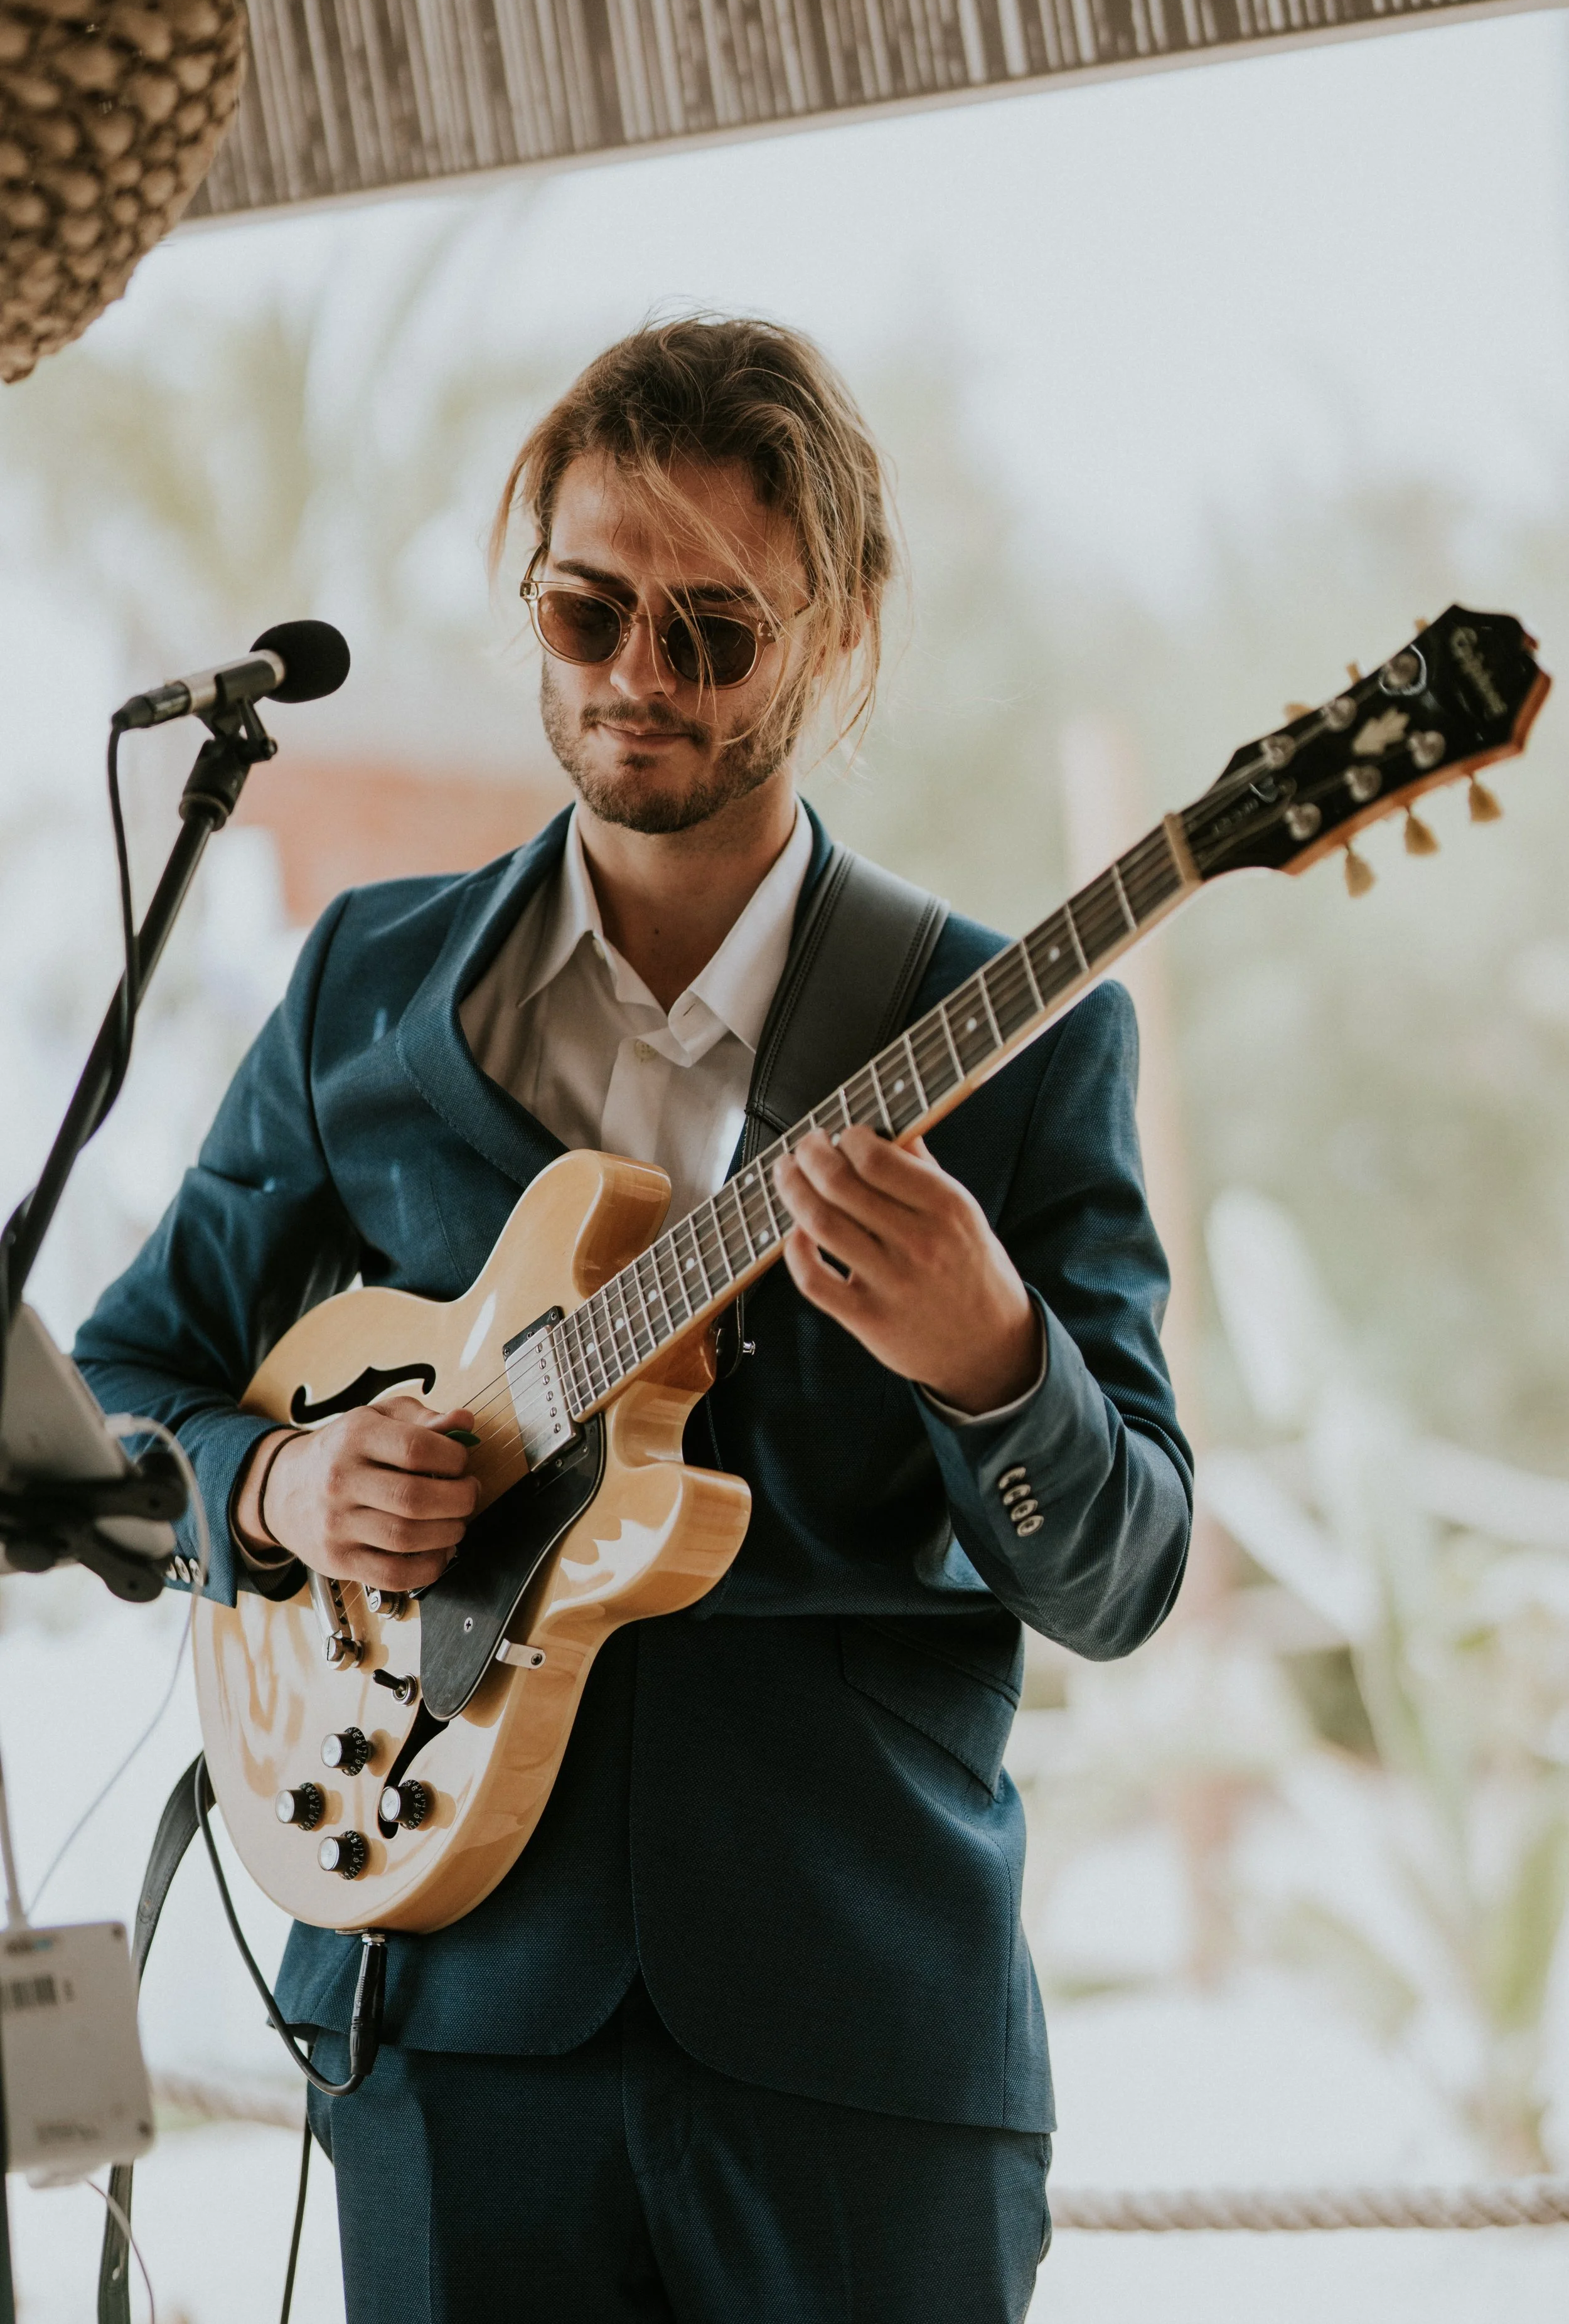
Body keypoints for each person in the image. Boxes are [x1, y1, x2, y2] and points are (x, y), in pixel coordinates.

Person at [77, 316, 1192, 2324]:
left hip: (857, 2036)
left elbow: (1124, 1578)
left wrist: (992, 1357)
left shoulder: (1015, 1046)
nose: (635, 678)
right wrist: (283, 1482)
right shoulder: (365, 990)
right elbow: (115, 1385)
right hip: (444, 2018)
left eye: (713, 632)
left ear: (834, 639)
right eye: (586, 612)